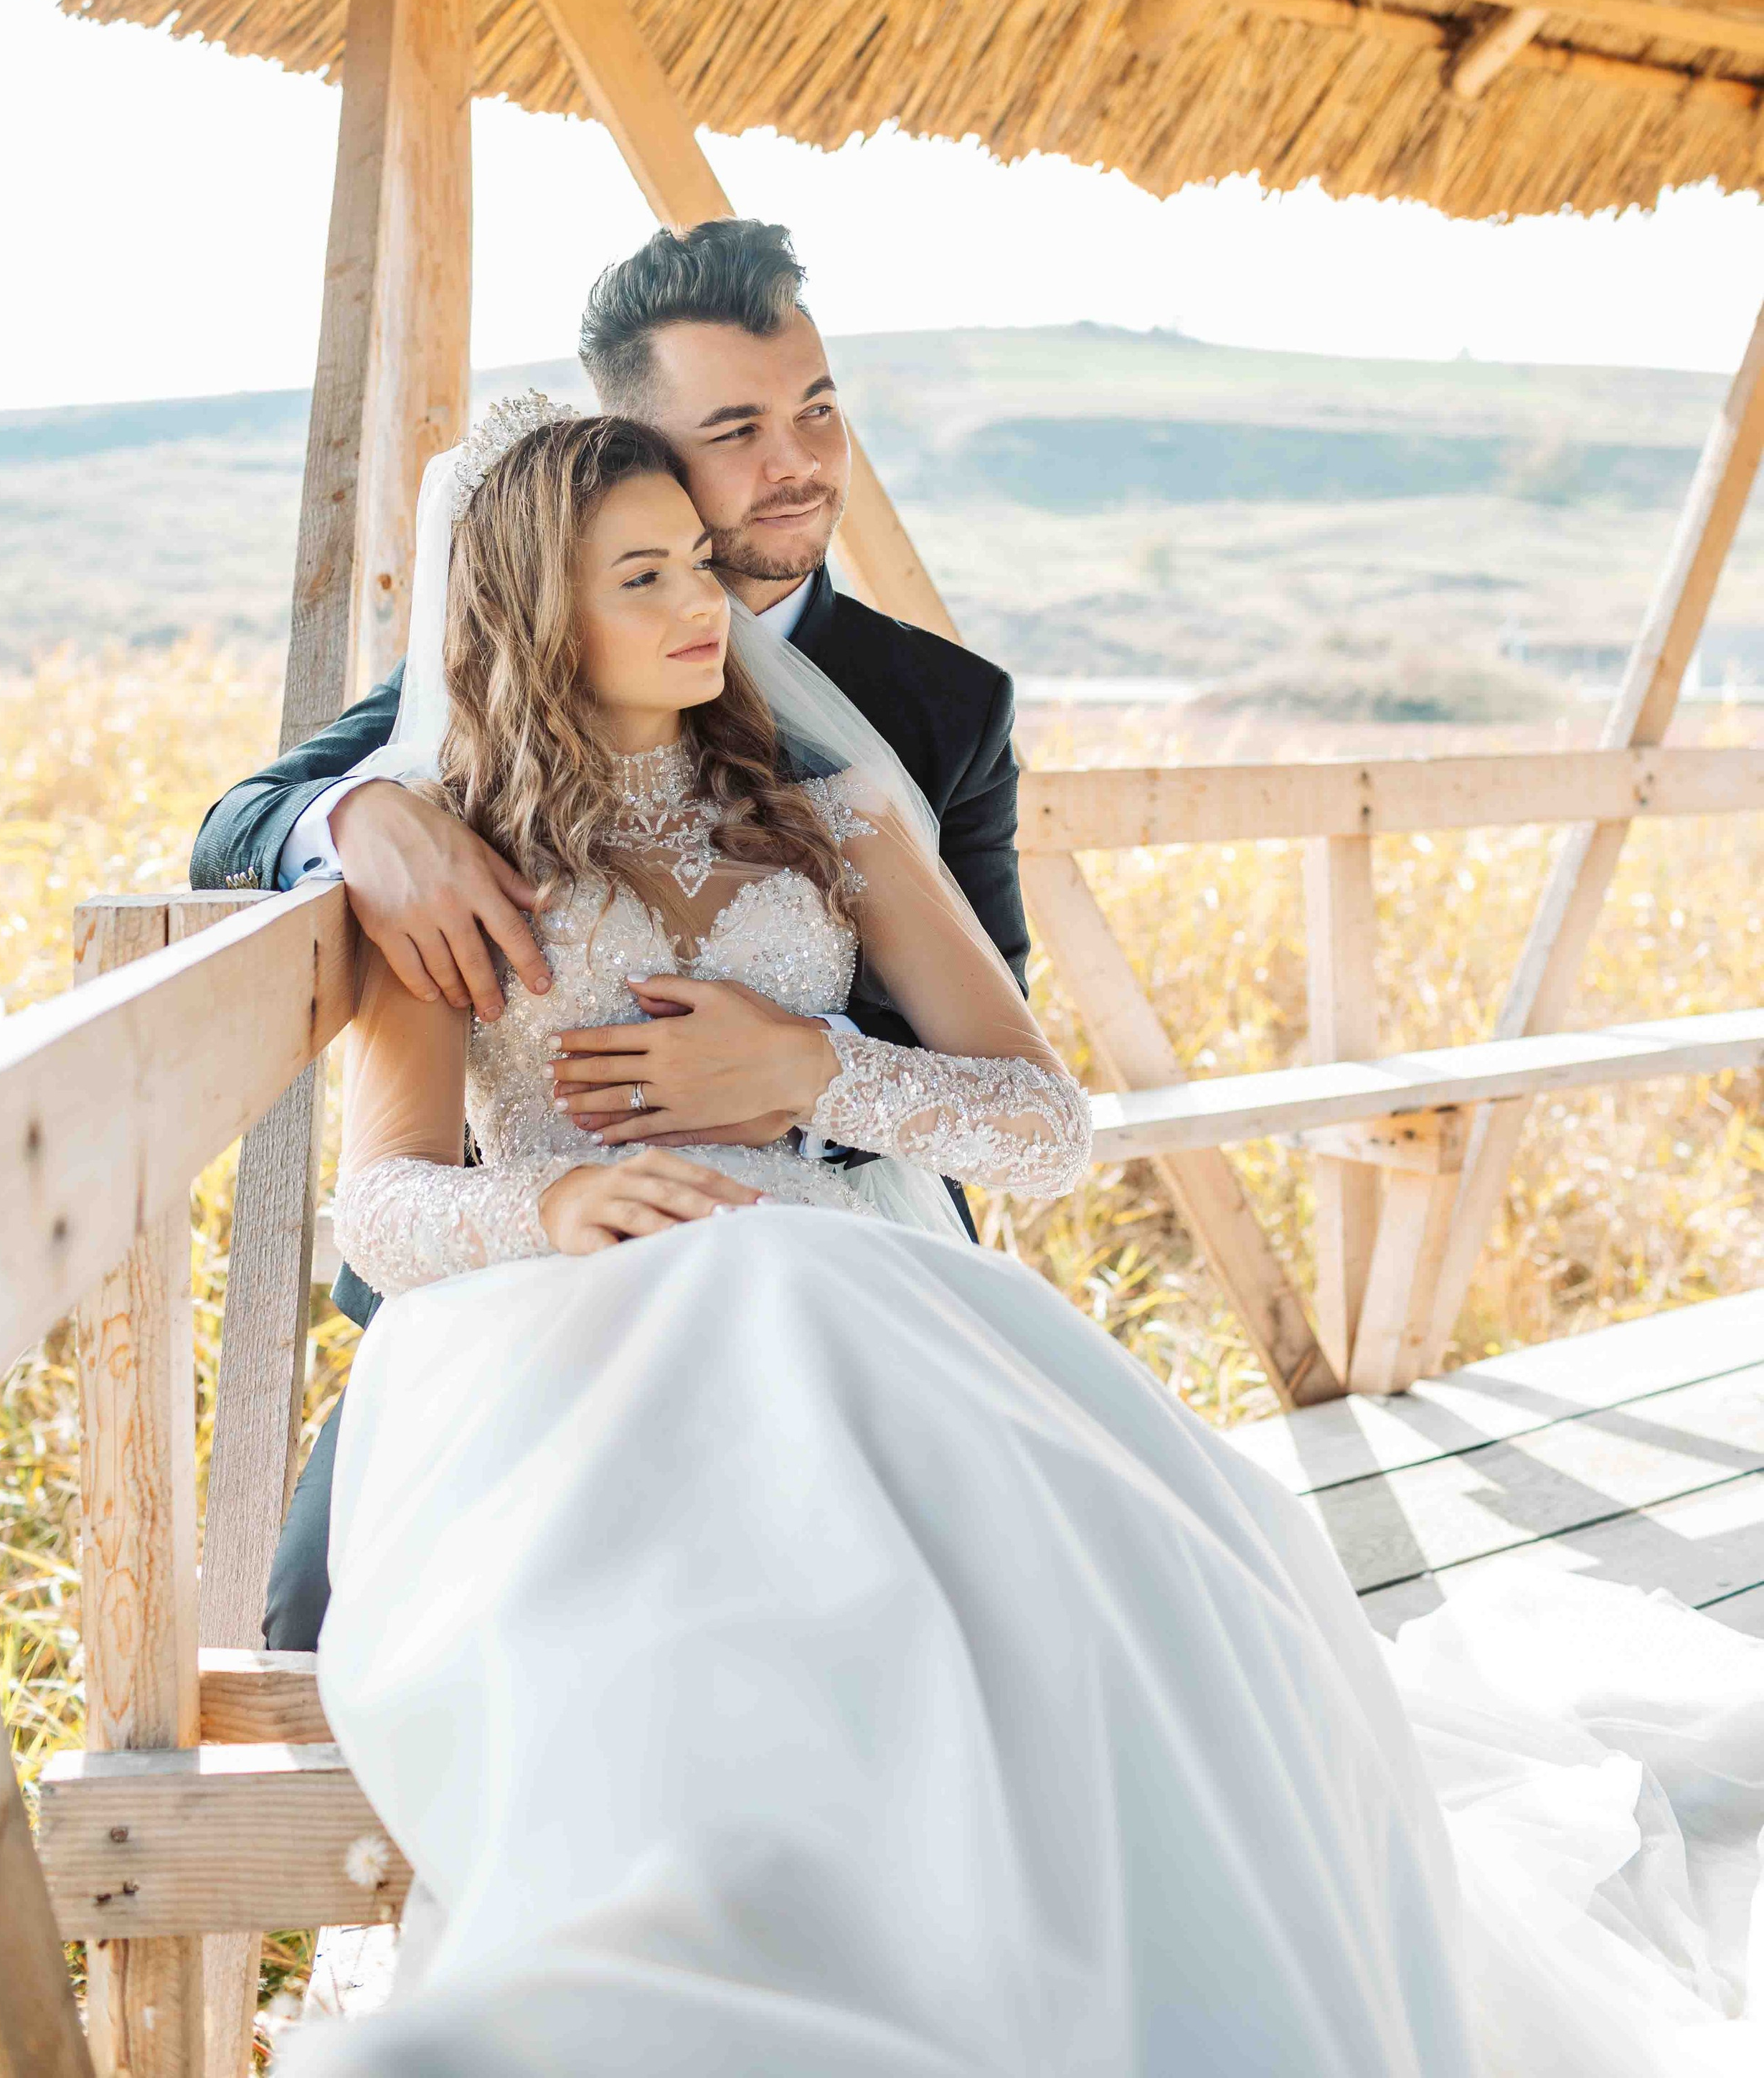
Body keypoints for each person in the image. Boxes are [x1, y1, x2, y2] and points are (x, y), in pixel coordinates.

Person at [278, 398, 1479, 2078]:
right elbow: (385, 1200)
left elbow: (1043, 1128)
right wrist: (549, 1202)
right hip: (574, 1327)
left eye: (696, 561)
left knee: (1153, 1557)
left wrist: (805, 1072)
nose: (703, 603)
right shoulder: (459, 873)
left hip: (845, 1277)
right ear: (532, 612)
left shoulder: (834, 823)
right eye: (642, 577)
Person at [193, 221, 1024, 1648]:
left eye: (815, 409)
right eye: (736, 428)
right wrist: (367, 824)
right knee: (321, 1625)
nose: (797, 463)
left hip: (838, 1241)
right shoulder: (512, 647)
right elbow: (245, 821)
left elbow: (999, 1026)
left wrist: (793, 1075)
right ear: (625, 452)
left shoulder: (937, 706)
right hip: (529, 1281)